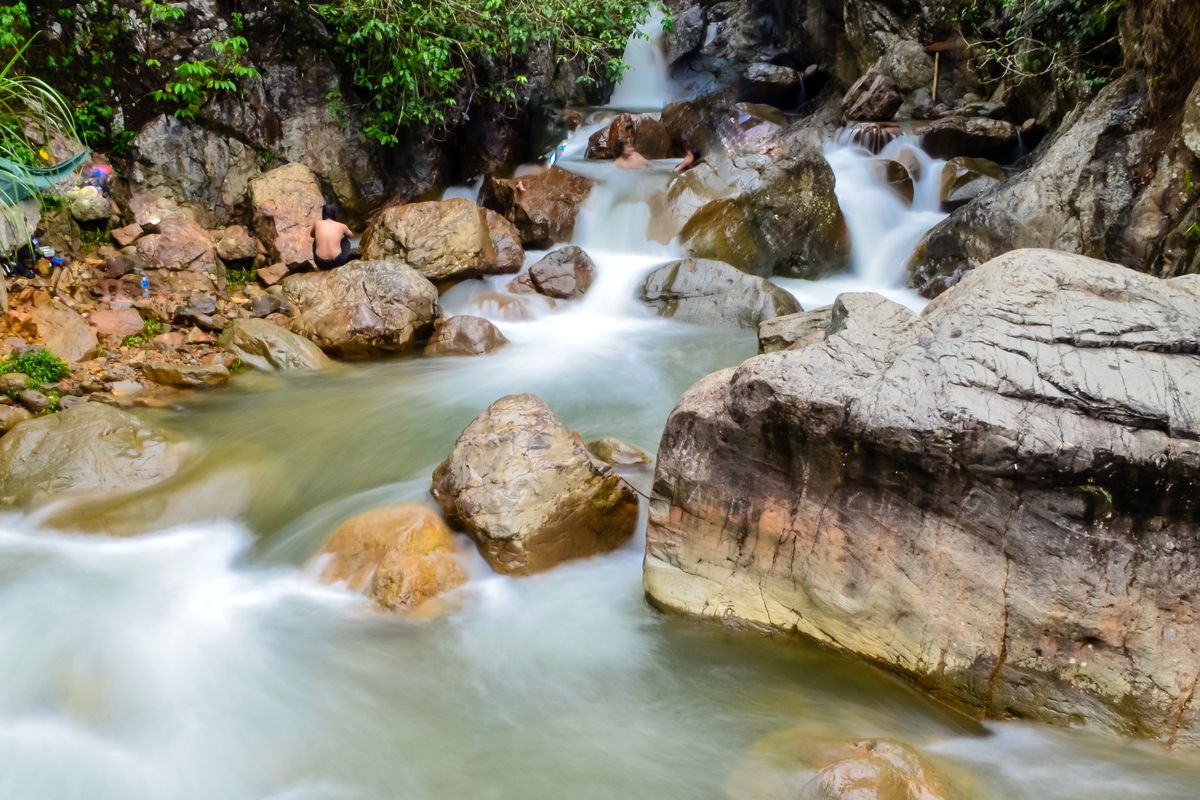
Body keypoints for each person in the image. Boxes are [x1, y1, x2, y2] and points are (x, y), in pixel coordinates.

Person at [313, 204, 353, 270]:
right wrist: (341, 235)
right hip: (338, 261)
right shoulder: (342, 226)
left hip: (320, 263)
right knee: (346, 241)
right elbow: (351, 236)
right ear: (335, 214)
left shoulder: (317, 223)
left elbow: (312, 235)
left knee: (315, 241)